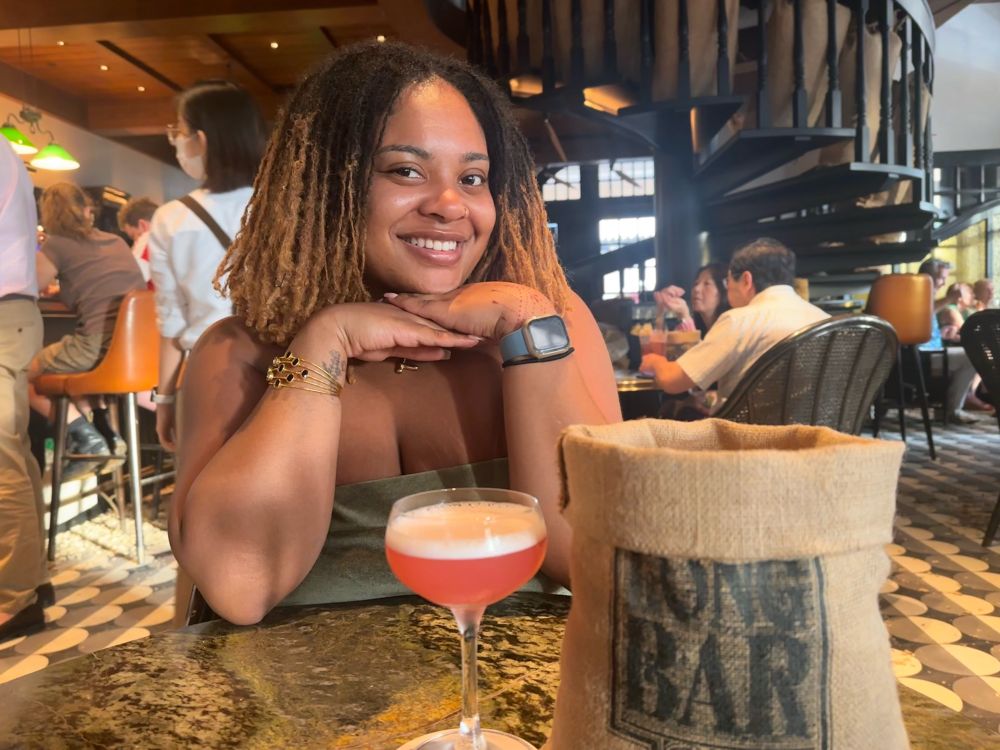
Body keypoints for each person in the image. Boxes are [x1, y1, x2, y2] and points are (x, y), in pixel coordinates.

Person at [168, 41, 621, 625]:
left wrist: (528, 322)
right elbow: (239, 585)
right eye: (406, 170)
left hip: (508, 700)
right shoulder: (241, 352)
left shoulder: (547, 323)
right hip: (315, 699)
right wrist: (323, 343)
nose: (450, 204)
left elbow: (593, 560)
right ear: (327, 185)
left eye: (474, 176)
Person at [147, 80, 266, 452]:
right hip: (283, 369)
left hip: (207, 369)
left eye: (178, 131)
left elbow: (172, 323)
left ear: (200, 139)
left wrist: (164, 401)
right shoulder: (280, 205)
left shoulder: (171, 218)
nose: (176, 141)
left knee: (199, 493)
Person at [28, 183, 146, 477]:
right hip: (136, 351)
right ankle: (107, 434)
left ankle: (86, 438)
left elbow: (32, 284)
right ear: (87, 209)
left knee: (20, 375)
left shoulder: (57, 244)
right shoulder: (116, 241)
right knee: (74, 380)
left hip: (96, 347)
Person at [640, 238, 828, 405]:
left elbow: (673, 382)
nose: (727, 291)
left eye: (728, 283)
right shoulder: (824, 321)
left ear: (746, 280)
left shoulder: (739, 320)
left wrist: (654, 361)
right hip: (819, 439)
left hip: (749, 438)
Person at [0, 144, 51, 642]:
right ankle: (33, 582)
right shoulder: (8, 153)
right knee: (15, 452)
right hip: (16, 312)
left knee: (3, 457)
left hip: (3, 313)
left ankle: (15, 598)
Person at [917, 259, 986, 420]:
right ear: (926, 277)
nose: (943, 283)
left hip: (932, 352)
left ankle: (949, 407)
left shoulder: (927, 298)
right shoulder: (917, 297)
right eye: (941, 278)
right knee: (972, 356)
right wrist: (949, 299)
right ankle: (952, 410)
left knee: (974, 353)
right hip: (923, 357)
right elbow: (923, 313)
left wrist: (942, 333)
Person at [653, 261, 730, 336]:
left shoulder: (730, 327)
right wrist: (661, 312)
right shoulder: (696, 326)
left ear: (723, 292)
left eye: (707, 284)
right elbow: (660, 347)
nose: (696, 288)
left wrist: (684, 317)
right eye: (696, 283)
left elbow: (698, 349)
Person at [117, 197, 158, 289]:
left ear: (142, 225)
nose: (135, 243)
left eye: (134, 236)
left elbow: (129, 283)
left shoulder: (147, 239)